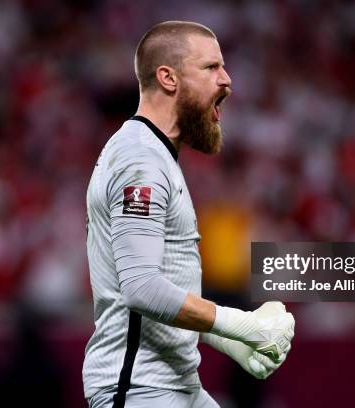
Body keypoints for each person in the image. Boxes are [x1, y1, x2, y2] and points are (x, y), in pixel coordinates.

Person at [83, 21, 295, 408]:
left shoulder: (151, 153)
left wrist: (227, 340)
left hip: (172, 387)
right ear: (168, 77)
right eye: (211, 68)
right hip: (140, 391)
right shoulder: (140, 160)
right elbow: (142, 287)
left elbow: (163, 287)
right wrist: (240, 324)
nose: (227, 80)